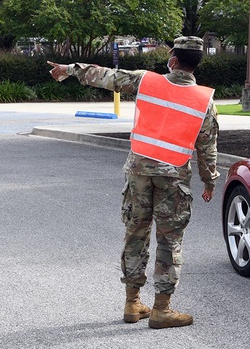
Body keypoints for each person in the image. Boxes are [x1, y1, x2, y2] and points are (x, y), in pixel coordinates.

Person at [48, 36, 219, 329]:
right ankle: (161, 309)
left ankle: (132, 303)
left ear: (173, 60)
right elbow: (207, 147)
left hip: (138, 173)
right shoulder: (205, 100)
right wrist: (209, 181)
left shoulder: (146, 81)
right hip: (174, 179)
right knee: (169, 240)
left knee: (135, 234)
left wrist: (70, 69)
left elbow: (105, 76)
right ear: (196, 64)